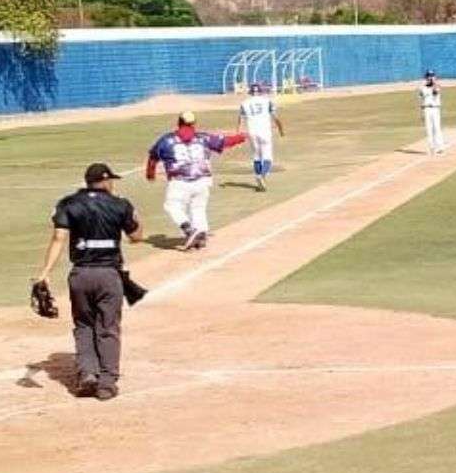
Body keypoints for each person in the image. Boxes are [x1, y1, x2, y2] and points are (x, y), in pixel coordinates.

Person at [36, 162, 144, 401]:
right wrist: (135, 214)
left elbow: (58, 238)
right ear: (106, 182)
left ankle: (87, 374)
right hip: (109, 275)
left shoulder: (69, 204)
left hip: (80, 275)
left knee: (84, 325)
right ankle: (106, 383)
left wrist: (45, 272)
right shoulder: (120, 205)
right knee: (108, 328)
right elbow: (137, 237)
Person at [146, 111, 247, 250]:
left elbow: (153, 157)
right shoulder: (203, 138)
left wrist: (150, 173)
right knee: (198, 208)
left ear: (179, 123)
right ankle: (201, 235)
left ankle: (189, 230)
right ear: (193, 124)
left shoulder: (166, 140)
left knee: (172, 206)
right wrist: (241, 137)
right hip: (203, 181)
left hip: (179, 181)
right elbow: (225, 142)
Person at [237, 83, 285, 192]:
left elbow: (240, 119)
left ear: (250, 92)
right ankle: (262, 176)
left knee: (256, 156)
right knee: (267, 156)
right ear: (261, 91)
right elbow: (275, 117)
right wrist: (281, 129)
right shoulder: (267, 101)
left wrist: (238, 132)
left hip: (252, 131)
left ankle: (258, 176)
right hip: (264, 131)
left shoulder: (244, 103)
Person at [418, 70, 446, 155]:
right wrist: (421, 110)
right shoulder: (422, 88)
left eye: (432, 76)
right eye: (429, 76)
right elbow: (420, 99)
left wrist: (434, 82)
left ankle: (440, 147)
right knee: (428, 129)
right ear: (426, 77)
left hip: (435, 108)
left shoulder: (437, 86)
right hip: (426, 109)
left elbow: (435, 92)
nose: (430, 77)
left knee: (437, 128)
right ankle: (431, 148)